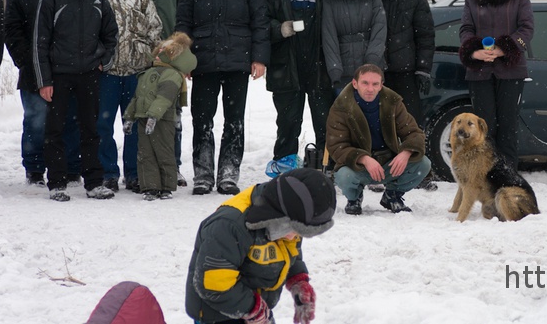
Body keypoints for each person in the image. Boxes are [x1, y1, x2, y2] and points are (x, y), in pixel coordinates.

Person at [176, 0, 270, 196]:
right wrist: (184, 59)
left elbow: (260, 18)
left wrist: (259, 57)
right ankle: (203, 174)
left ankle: (229, 173)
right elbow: (183, 21)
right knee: (201, 118)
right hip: (202, 59)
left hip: (237, 58)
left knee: (234, 119)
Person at [185, 168, 335, 324]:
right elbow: (214, 282)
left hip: (254, 308)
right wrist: (251, 308)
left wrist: (297, 279)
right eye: (295, 231)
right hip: (217, 314)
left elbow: (288, 251)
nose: (295, 237)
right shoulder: (229, 225)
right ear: (279, 215)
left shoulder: (288, 219)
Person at [33, 0, 119, 201]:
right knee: (55, 130)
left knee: (91, 129)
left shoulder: (99, 0)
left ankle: (93, 182)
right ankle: (57, 183)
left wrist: (104, 60)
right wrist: (44, 81)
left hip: (90, 74)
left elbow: (111, 36)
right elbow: (40, 43)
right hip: (59, 76)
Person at [4, 0, 81, 186]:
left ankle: (70, 167)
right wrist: (28, 61)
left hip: (67, 68)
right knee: (36, 121)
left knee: (70, 120)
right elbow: (12, 30)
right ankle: (35, 168)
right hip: (33, 70)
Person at [92, 0, 162, 193]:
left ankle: (134, 174)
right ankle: (108, 173)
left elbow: (155, 25)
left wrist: (153, 54)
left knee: (133, 126)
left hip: (136, 70)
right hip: (106, 71)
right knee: (103, 125)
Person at [263, 0, 335, 178]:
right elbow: (261, 21)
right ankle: (284, 168)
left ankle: (327, 167)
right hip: (287, 62)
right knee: (288, 122)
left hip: (320, 62)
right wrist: (279, 28)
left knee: (325, 121)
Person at [458, 0, 534, 169]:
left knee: (508, 126)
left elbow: (527, 28)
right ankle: (485, 173)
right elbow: (465, 30)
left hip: (511, 71)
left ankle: (507, 173)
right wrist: (474, 51)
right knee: (483, 127)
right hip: (479, 72)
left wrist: (505, 49)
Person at [326, 63, 431, 215]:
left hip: (389, 163)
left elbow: (414, 133)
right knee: (344, 176)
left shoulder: (393, 102)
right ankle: (354, 198)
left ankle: (392, 196)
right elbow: (336, 146)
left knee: (423, 164)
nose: (370, 89)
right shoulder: (341, 107)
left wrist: (406, 152)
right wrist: (364, 158)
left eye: (375, 84)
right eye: (365, 83)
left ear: (381, 85)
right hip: (358, 167)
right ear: (355, 84)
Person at [131, 0, 189, 186]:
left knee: (171, 115)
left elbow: (187, 12)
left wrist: (181, 52)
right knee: (140, 112)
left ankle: (172, 167)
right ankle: (137, 171)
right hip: (136, 55)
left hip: (170, 58)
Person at [374, 0, 438, 191]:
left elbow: (426, 37)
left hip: (406, 71)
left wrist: (423, 69)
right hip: (375, 72)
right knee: (378, 123)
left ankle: (421, 171)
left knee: (411, 123)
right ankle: (379, 173)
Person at [123, 32, 197, 200]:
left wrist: (154, 116)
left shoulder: (172, 75)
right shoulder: (148, 72)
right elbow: (138, 97)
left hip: (162, 120)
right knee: (145, 154)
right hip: (143, 118)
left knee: (164, 152)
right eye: (161, 47)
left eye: (166, 48)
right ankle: (149, 186)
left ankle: (166, 186)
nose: (161, 50)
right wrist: (130, 117)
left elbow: (164, 98)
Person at [319, 0, 387, 91]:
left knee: (372, 112)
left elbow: (380, 27)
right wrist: (335, 69)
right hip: (344, 72)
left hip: (372, 70)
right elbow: (329, 36)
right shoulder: (329, 0)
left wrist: (372, 60)